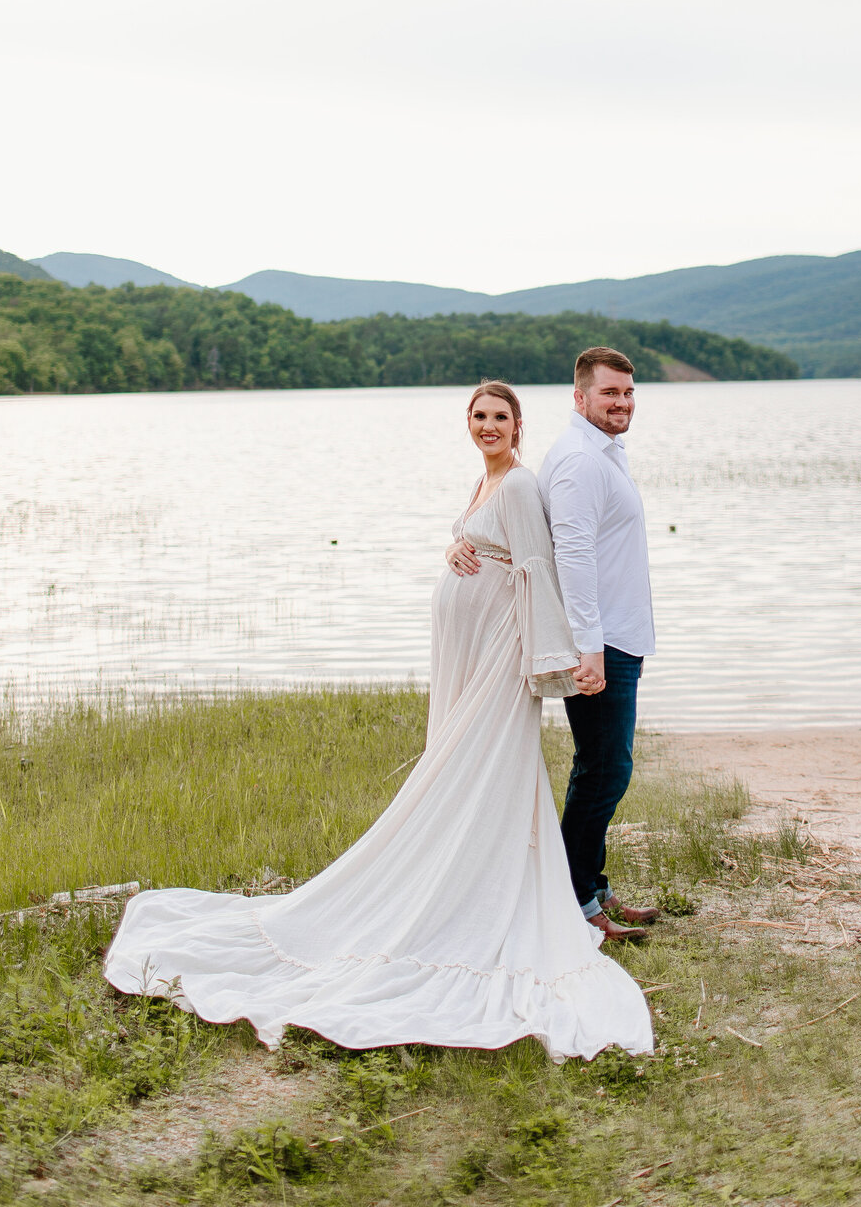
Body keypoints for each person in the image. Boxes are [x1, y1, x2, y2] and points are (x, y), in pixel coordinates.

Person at [104, 380, 652, 1063]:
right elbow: (485, 546)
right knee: (456, 767)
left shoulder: (519, 485)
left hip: (496, 657)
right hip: (468, 649)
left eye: (500, 418)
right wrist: (453, 548)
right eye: (479, 417)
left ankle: (495, 889)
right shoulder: (486, 481)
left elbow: (536, 568)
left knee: (477, 768)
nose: (488, 427)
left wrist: (553, 661)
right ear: (469, 424)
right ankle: (470, 877)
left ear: (520, 425)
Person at [537, 347, 658, 941]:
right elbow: (573, 555)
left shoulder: (603, 453)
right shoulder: (581, 461)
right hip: (600, 641)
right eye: (609, 393)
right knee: (605, 772)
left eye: (628, 392)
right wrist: (589, 647)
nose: (622, 403)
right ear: (580, 397)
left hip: (616, 634)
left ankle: (590, 885)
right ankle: (579, 899)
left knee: (602, 768)